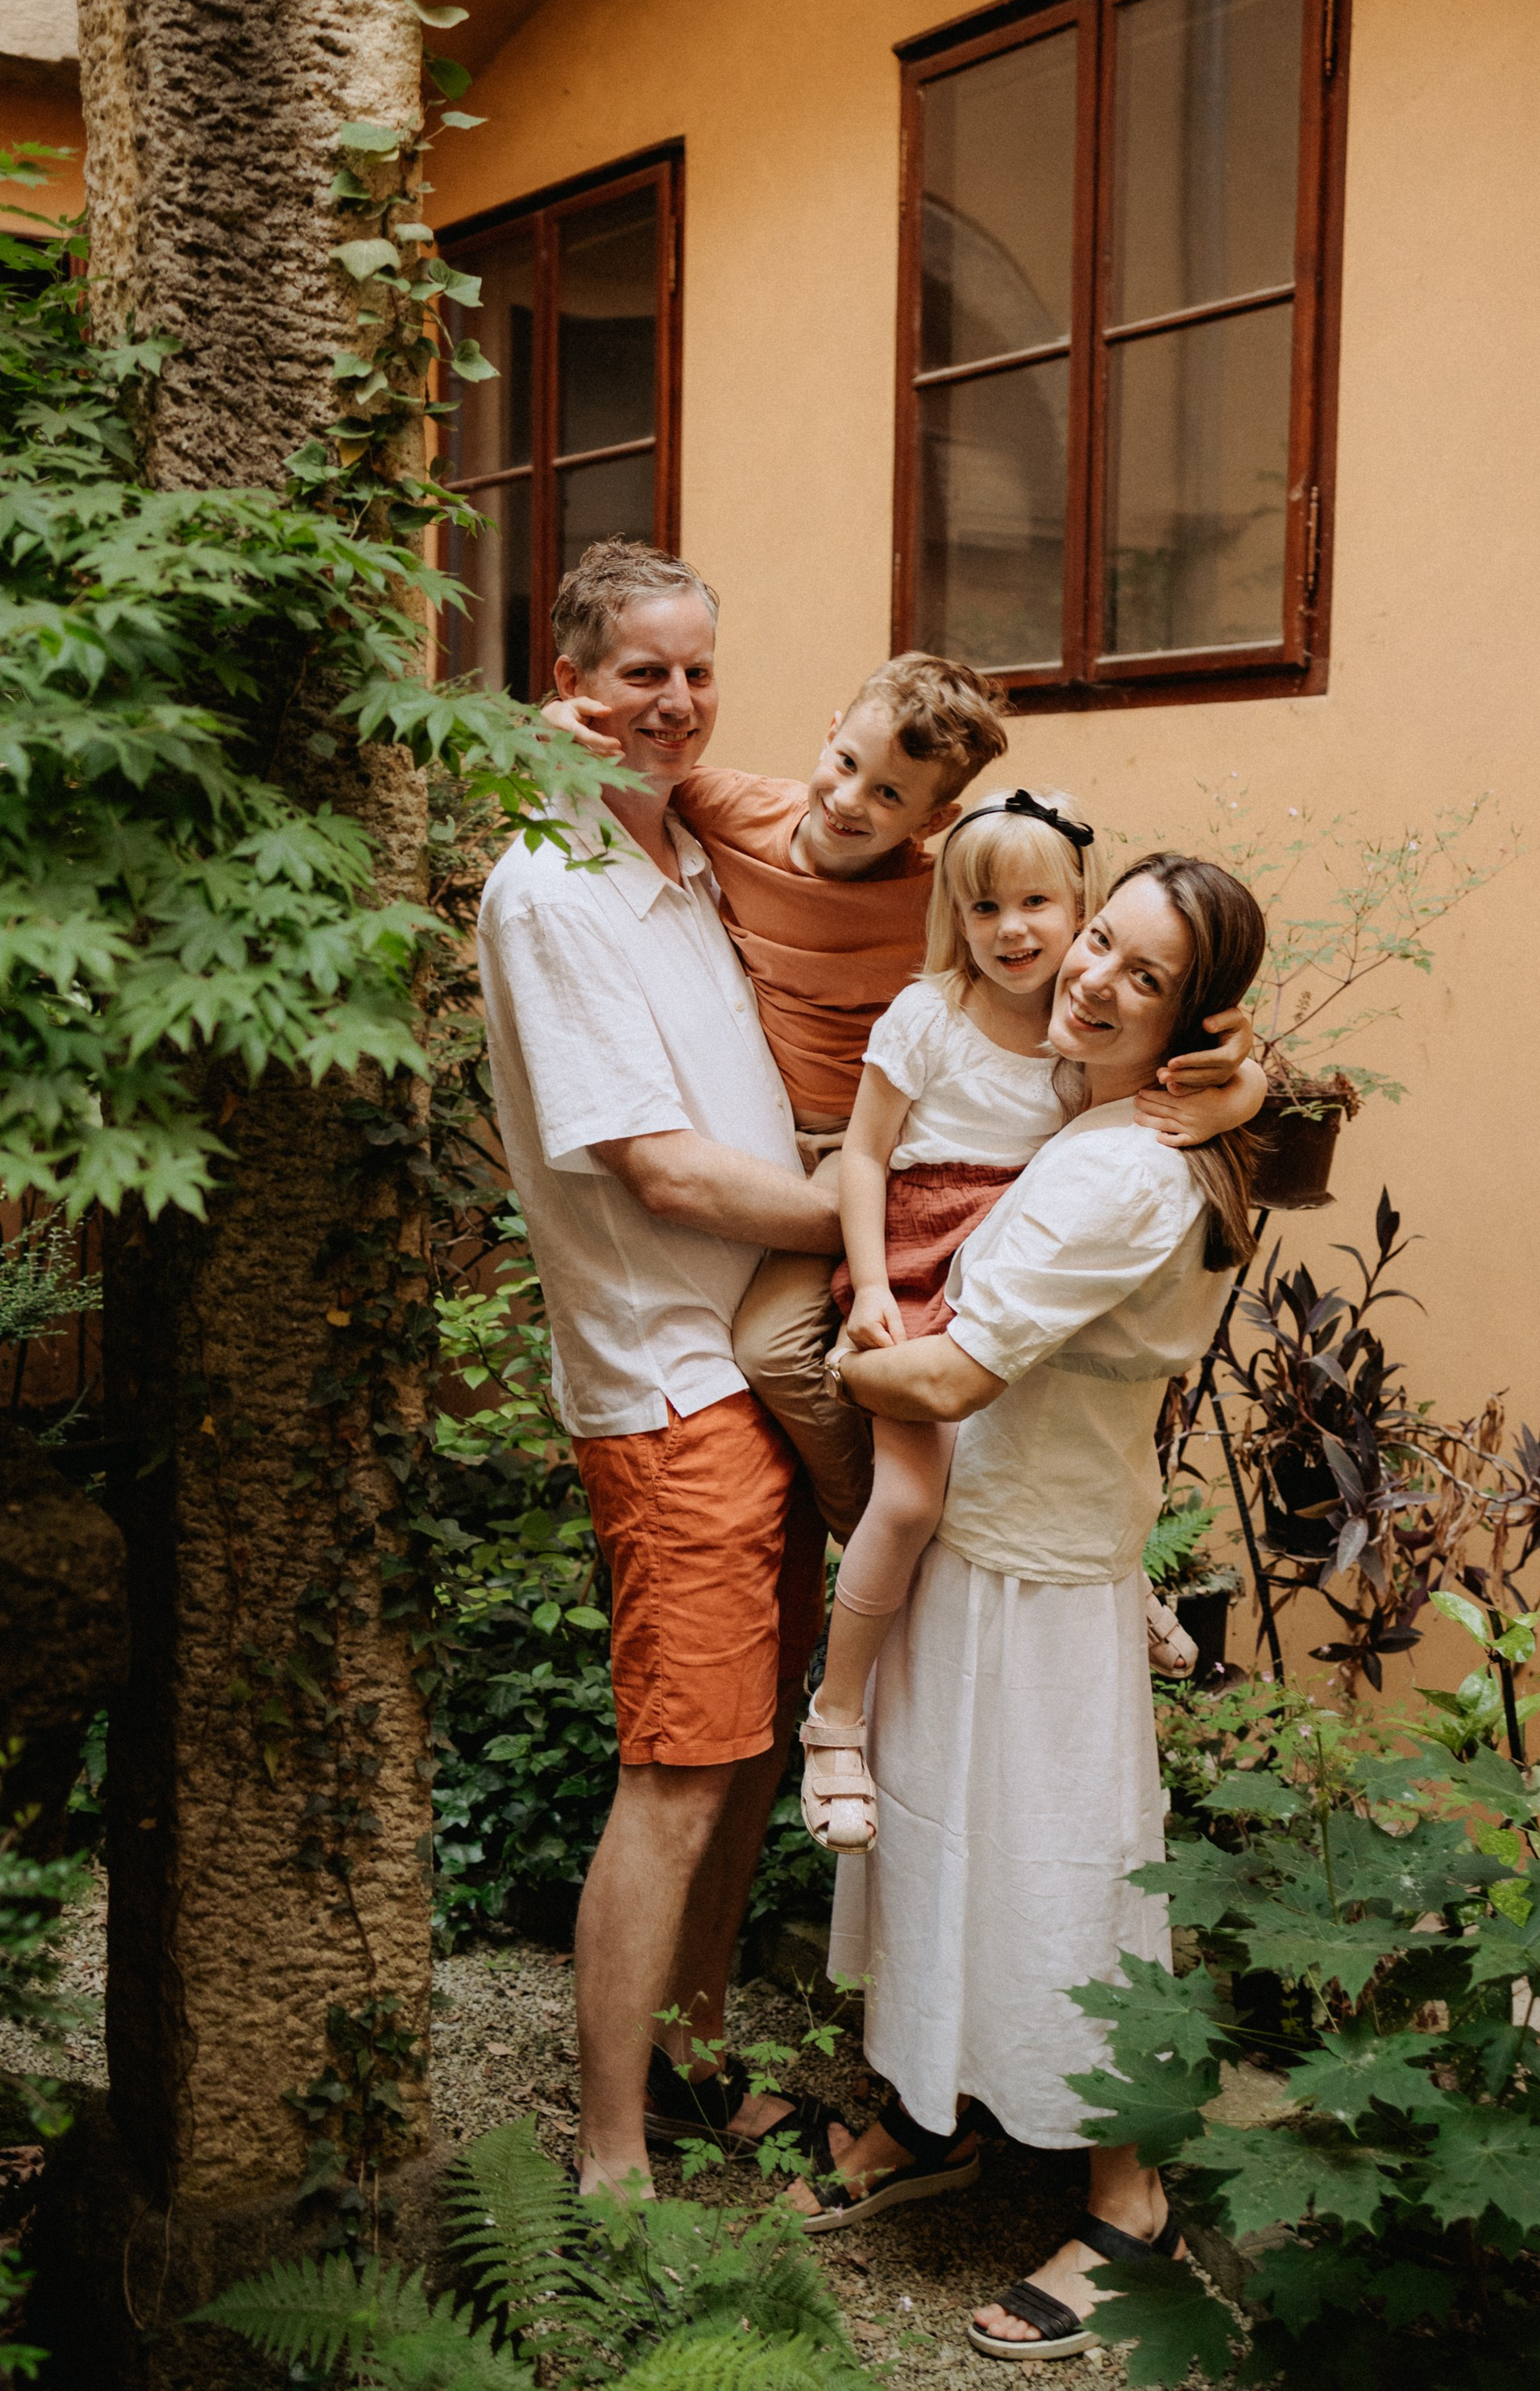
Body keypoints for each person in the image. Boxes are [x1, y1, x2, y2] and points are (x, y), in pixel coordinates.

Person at [785, 854, 1267, 2371]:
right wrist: (1253, 1084)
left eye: (1142, 975)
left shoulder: (1131, 1166)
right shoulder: (1105, 1107)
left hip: (1041, 1577)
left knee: (1064, 1887)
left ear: (1194, 1019)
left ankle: (1132, 2205)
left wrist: (815, 1369)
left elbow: (945, 1377)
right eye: (1098, 942)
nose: (1091, 979)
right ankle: (938, 2119)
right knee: (939, 1853)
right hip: (977, 1544)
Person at [546, 652, 1261, 1556]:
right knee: (778, 1349)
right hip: (848, 1156)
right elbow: (630, 774)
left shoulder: (967, 897)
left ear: (934, 821)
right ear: (828, 733)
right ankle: (881, 1542)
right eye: (846, 765)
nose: (850, 802)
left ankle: (1081, 1558)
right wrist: (551, 727)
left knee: (1011, 1380)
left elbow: (1160, 987)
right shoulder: (728, 808)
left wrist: (1238, 1084)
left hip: (983, 1185)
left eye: (890, 796)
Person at [477, 538, 851, 2194]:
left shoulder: (682, 852)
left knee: (752, 1748)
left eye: (697, 669)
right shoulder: (553, 890)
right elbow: (667, 1171)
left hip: (756, 1371)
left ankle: (698, 2069)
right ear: (570, 677)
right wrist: (869, 1214)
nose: (677, 702)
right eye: (642, 672)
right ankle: (612, 2159)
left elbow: (861, 808)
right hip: (670, 1386)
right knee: (681, 1771)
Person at [797, 795, 1261, 1854]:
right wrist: (869, 1294)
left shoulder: (1074, 1002)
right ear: (951, 917)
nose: (1018, 931)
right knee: (912, 1497)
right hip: (915, 1264)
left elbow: (1238, 1042)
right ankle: (836, 1720)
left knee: (1115, 1398)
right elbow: (861, 1154)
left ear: (1077, 906)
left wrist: (1232, 1099)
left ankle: (1130, 1564)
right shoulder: (933, 1015)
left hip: (1001, 1251)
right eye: (984, 907)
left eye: (1043, 906)